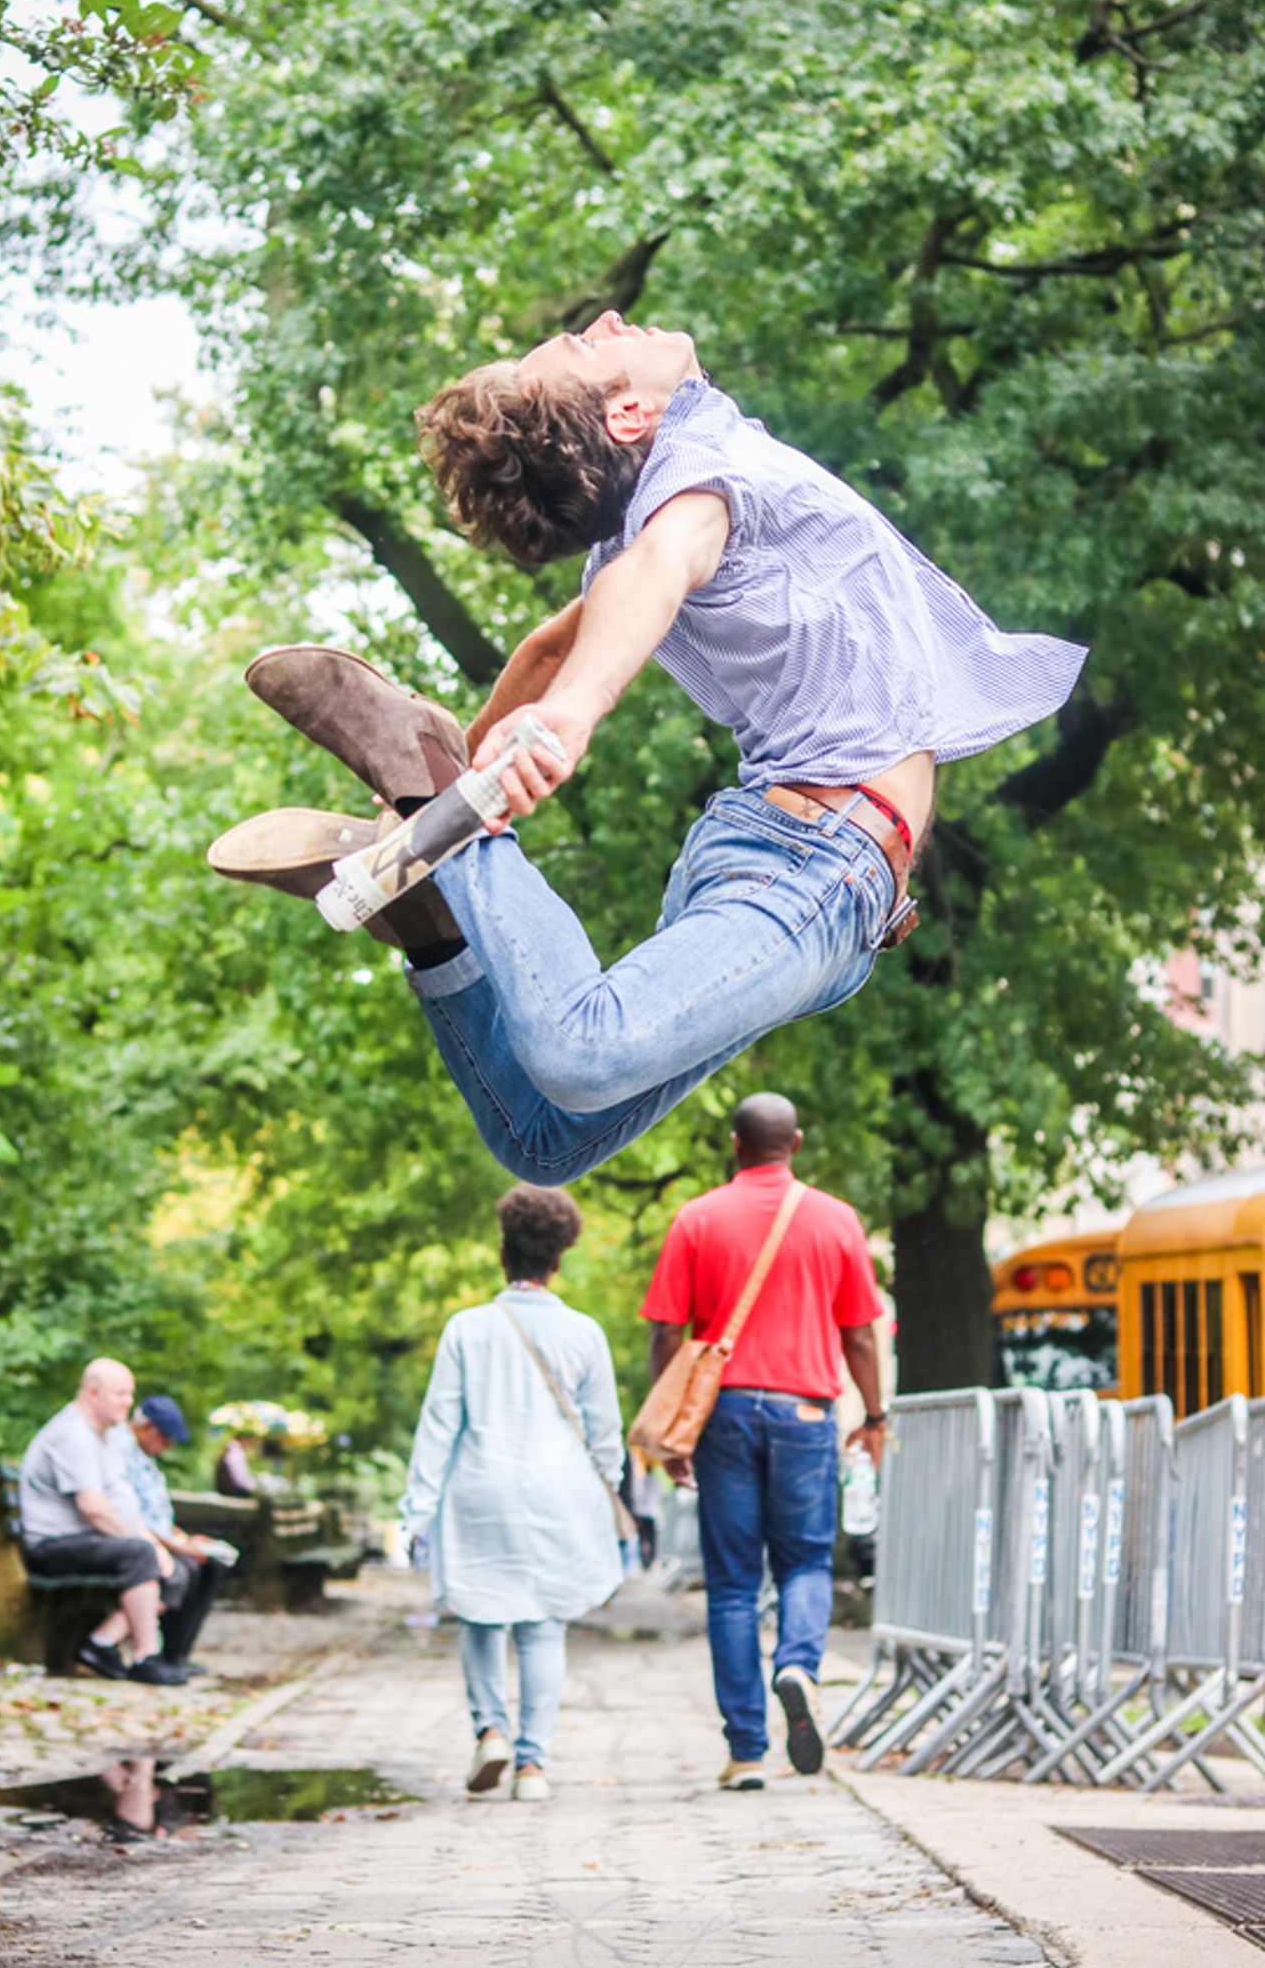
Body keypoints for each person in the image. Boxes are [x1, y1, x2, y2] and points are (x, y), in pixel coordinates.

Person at [208, 312, 1087, 1184]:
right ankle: (439, 816)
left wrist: (462, 772)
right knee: (582, 1059)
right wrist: (555, 727)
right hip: (817, 867)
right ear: (628, 415)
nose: (608, 317)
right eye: (591, 346)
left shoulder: (667, 498)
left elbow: (550, 648)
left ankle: (435, 925)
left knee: (542, 1140)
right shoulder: (700, 471)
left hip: (803, 873)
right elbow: (658, 570)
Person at [641, 1093, 886, 1791]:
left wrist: (674, 1417)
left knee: (731, 1586)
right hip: (806, 1413)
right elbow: (860, 1333)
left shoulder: (696, 1218)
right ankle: (798, 1666)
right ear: (796, 1143)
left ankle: (746, 1750)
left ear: (734, 1144)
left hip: (722, 1416)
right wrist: (873, 1412)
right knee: (806, 1561)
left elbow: (665, 1330)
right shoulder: (837, 1219)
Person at [402, 1185, 624, 1803]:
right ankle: (532, 1767)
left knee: (481, 1615)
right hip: (558, 1493)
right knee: (542, 1627)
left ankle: (490, 1729)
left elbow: (439, 1425)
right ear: (559, 1258)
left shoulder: (466, 1329)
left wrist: (417, 1507)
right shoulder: (584, 1333)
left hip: (480, 1488)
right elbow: (606, 1435)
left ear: (505, 1253)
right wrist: (610, 1488)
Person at [17, 1358, 188, 1685]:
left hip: (90, 1540)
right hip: (54, 1544)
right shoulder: (72, 1434)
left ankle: (102, 1642)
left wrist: (154, 1546)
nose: (128, 1402)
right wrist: (141, 1546)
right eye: (120, 1394)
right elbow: (93, 1508)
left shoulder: (107, 1436)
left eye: (130, 1394)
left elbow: (124, 1504)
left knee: (173, 1567)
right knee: (140, 1556)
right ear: (92, 1392)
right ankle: (144, 1655)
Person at [112, 1395, 225, 1672]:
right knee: (185, 1568)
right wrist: (180, 1548)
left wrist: (185, 1537)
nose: (168, 1446)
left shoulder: (144, 1456)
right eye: (164, 1438)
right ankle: (159, 1655)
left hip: (158, 1539)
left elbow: (157, 1514)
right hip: (135, 1540)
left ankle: (177, 1655)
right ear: (146, 1426)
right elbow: (133, 1516)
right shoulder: (120, 1451)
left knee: (211, 1564)